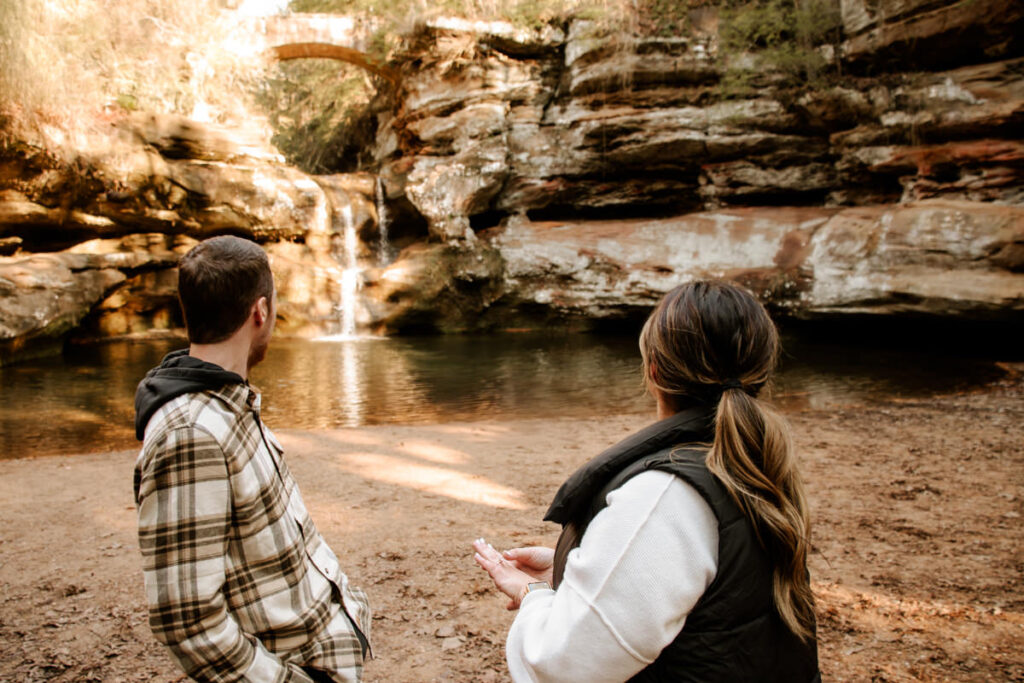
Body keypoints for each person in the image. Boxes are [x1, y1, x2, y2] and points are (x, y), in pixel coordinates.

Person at [473, 280, 820, 682]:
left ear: (653, 371)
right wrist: (573, 569)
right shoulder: (749, 463)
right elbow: (718, 595)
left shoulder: (666, 494)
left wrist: (532, 594)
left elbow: (562, 665)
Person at [133, 236, 371, 683]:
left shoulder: (226, 400)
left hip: (320, 648)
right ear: (259, 312)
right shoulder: (190, 433)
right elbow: (187, 621)